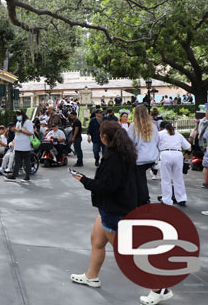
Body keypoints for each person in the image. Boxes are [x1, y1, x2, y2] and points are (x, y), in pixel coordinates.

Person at [70, 121, 143, 298]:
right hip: (111, 208)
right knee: (97, 241)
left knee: (126, 254)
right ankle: (91, 276)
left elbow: (105, 187)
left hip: (114, 210)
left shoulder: (114, 159)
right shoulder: (125, 153)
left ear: (104, 137)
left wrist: (83, 180)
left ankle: (158, 287)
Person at [127, 104, 160, 205]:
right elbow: (157, 140)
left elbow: (129, 142)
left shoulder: (134, 126)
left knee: (138, 179)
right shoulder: (153, 126)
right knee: (141, 178)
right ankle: (143, 198)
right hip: (151, 157)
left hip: (139, 158)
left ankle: (143, 199)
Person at [157, 121, 191, 206]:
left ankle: (167, 199)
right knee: (178, 178)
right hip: (178, 154)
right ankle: (181, 198)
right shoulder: (178, 134)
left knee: (165, 178)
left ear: (162, 127)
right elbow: (189, 148)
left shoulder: (160, 134)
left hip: (165, 154)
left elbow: (154, 145)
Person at [6, 110, 34, 183]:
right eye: (17, 115)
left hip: (25, 145)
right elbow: (17, 134)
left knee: (26, 161)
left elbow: (30, 133)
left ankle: (27, 176)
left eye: (19, 115)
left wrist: (20, 130)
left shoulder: (28, 122)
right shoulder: (18, 122)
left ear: (22, 115)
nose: (17, 116)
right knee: (17, 161)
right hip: (18, 145)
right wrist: (13, 142)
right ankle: (14, 175)